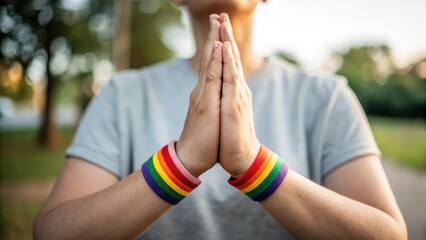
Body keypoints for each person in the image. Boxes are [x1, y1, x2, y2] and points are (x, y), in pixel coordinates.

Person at [34, 0, 407, 239]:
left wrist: (254, 166)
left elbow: (388, 234)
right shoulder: (122, 94)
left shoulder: (328, 97)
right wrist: (181, 163)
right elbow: (54, 232)